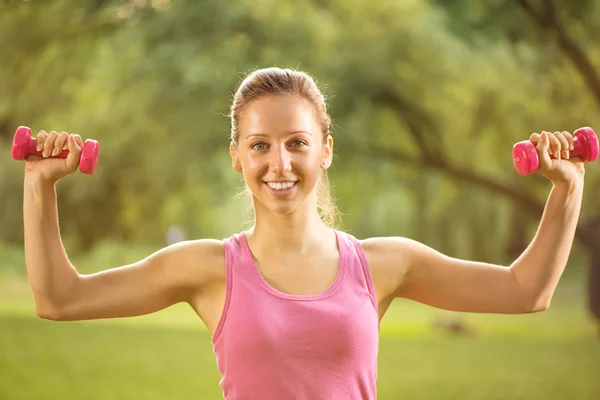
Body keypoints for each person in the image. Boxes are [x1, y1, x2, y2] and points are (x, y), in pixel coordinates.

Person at [22, 67, 586, 399]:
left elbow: (524, 290)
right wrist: (41, 185)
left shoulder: (384, 264)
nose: (280, 164)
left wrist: (568, 185)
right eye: (260, 145)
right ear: (236, 157)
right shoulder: (206, 269)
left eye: (297, 142)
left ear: (326, 151)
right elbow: (59, 298)